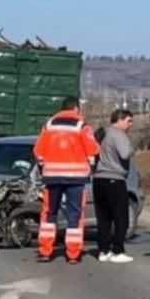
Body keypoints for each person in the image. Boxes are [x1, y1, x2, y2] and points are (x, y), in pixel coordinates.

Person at [33, 97, 100, 264]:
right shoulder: (81, 126)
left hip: (52, 177)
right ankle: (73, 253)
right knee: (75, 215)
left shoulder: (49, 125)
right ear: (76, 108)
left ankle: (45, 250)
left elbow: (38, 150)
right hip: (76, 178)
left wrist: (44, 166)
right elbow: (93, 149)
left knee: (49, 213)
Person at [93, 109, 136, 263]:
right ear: (120, 119)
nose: (130, 124)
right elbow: (124, 153)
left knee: (103, 217)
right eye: (129, 121)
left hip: (99, 178)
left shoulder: (102, 133)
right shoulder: (118, 134)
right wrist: (131, 148)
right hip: (114, 178)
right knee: (120, 217)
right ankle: (117, 250)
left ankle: (103, 250)